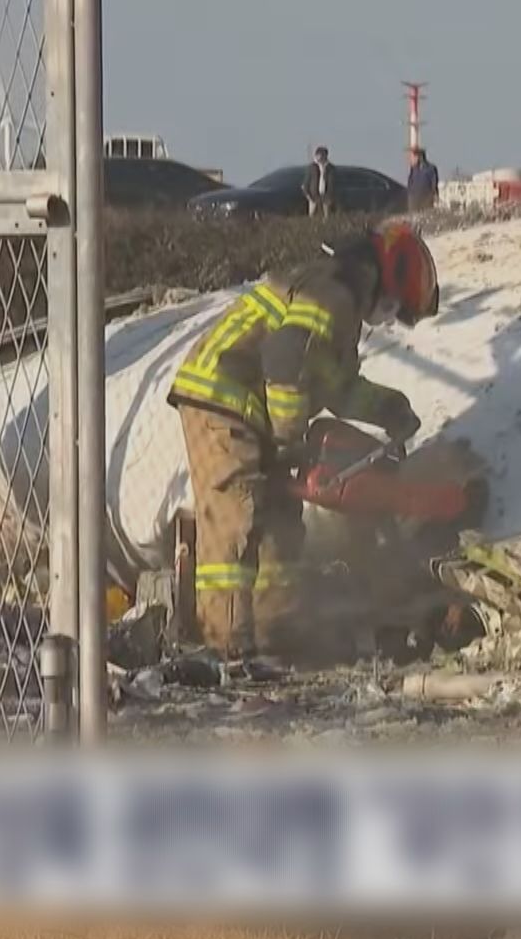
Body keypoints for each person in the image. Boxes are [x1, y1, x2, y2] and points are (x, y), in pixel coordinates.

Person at [168, 219, 438, 665]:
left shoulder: (340, 302)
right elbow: (286, 359)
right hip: (220, 395)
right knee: (237, 519)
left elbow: (336, 385)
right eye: (396, 309)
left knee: (279, 520)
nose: (390, 318)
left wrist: (393, 410)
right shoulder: (332, 293)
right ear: (389, 282)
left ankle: (277, 636)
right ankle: (225, 651)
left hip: (255, 407)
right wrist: (290, 436)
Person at [303, 146, 338, 217]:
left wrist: (331, 196)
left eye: (322, 155)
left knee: (327, 216)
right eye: (318, 155)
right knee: (312, 215)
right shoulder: (312, 167)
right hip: (314, 196)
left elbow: (333, 183)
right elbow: (306, 183)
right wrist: (309, 196)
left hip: (326, 196)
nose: (320, 157)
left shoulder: (331, 168)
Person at [407, 147, 440, 212]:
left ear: (420, 157)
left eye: (414, 157)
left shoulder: (431, 168)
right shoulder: (413, 169)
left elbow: (434, 183)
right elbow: (410, 182)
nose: (412, 159)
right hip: (414, 199)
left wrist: (435, 195)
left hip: (426, 198)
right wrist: (410, 194)